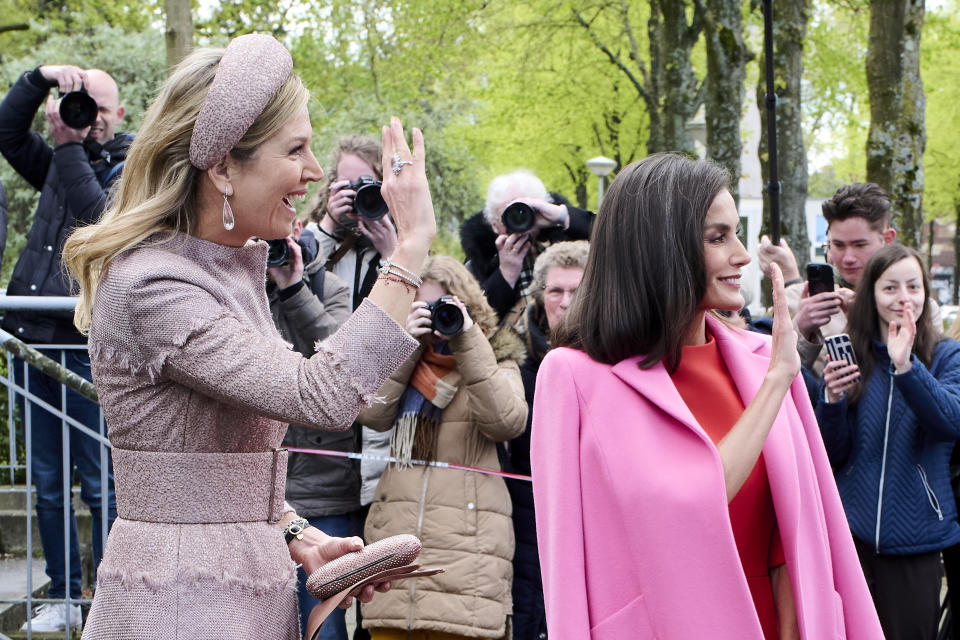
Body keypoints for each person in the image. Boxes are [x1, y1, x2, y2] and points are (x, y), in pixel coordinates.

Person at [60, 34, 436, 638]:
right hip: (181, 606)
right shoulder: (153, 285)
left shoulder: (225, 269)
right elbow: (322, 396)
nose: (313, 172)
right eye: (297, 150)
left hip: (240, 591)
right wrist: (409, 249)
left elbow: (210, 469)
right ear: (224, 167)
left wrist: (299, 537)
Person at [531, 153, 883, 639]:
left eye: (734, 233)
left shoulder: (764, 359)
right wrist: (780, 378)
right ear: (661, 247)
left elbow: (797, 538)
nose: (741, 254)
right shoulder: (574, 377)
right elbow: (575, 560)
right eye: (718, 237)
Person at [0, 63, 129, 632]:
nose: (91, 117)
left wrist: (70, 147)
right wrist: (40, 77)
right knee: (47, 483)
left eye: (100, 107)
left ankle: (108, 594)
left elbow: (98, 215)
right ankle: (62, 592)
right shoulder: (58, 158)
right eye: (81, 104)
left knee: (99, 480)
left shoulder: (129, 166)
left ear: (120, 114)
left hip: (84, 347)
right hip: (34, 341)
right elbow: (6, 133)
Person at [357, 255, 528, 640]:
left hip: (466, 563)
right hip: (395, 559)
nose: (434, 320)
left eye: (443, 308)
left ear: (467, 306)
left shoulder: (498, 359)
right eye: (423, 308)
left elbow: (506, 422)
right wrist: (403, 346)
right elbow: (370, 415)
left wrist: (467, 340)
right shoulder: (401, 356)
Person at [815, 244, 960, 640]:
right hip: (852, 540)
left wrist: (907, 367)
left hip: (917, 543)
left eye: (913, 287)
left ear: (926, 292)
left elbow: (951, 421)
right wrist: (830, 399)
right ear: (872, 295)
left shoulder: (945, 354)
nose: (903, 298)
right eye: (890, 288)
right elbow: (832, 455)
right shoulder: (854, 354)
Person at [306, 135, 399, 640]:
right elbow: (291, 292)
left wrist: (394, 253)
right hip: (325, 455)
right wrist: (324, 228)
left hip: (381, 454)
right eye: (346, 184)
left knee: (377, 606)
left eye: (369, 185)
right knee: (329, 603)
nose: (358, 196)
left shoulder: (404, 246)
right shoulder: (310, 245)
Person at [265, 220, 358, 639]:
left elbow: (342, 363)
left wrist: (295, 288)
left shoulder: (330, 287)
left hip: (324, 490)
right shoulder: (239, 283)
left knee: (327, 621)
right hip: (260, 485)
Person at [758, 183, 940, 376]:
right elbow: (772, 380)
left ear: (887, 239)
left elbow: (923, 381)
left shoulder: (918, 306)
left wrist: (868, 320)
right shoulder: (799, 301)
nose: (848, 258)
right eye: (838, 245)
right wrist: (802, 329)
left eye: (860, 245)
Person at [505, 239, 588, 640]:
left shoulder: (618, 355)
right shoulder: (515, 354)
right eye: (556, 290)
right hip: (523, 510)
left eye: (577, 290)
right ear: (541, 296)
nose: (566, 301)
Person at [460, 170, 594, 325]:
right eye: (508, 215)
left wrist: (561, 215)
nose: (518, 220)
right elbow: (477, 324)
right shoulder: (479, 261)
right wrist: (506, 274)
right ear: (494, 224)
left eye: (524, 211)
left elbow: (616, 238)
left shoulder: (571, 243)